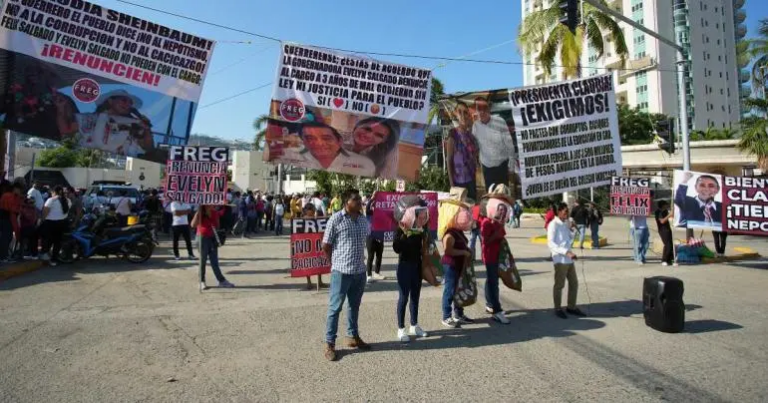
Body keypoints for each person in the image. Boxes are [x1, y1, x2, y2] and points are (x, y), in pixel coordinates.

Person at [322, 189, 371, 361]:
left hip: (359, 272)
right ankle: (329, 343)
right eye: (355, 199)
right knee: (335, 308)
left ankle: (353, 336)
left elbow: (366, 240)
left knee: (354, 306)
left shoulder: (363, 220)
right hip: (341, 272)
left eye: (359, 199)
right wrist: (334, 263)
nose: (359, 201)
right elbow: (326, 245)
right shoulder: (336, 219)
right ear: (346, 202)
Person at [54, 90, 155, 158]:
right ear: (110, 101)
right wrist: (61, 108)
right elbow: (65, 131)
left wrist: (146, 129)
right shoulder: (89, 118)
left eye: (130, 103)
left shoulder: (133, 125)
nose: (127, 105)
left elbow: (148, 148)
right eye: (124, 100)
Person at [281, 122, 375, 177]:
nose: (319, 144)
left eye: (326, 138)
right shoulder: (287, 155)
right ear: (304, 141)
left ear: (339, 141)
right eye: (310, 138)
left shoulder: (365, 164)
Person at [392, 205, 430, 342]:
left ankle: (414, 325)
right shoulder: (401, 228)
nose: (422, 219)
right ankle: (401, 329)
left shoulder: (420, 230)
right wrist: (404, 234)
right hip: (404, 266)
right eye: (420, 216)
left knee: (415, 297)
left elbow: (423, 248)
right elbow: (396, 248)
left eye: (424, 216)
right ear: (413, 216)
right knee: (403, 298)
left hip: (417, 266)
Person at [439, 199, 475, 328]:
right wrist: (464, 252)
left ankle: (459, 314)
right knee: (450, 290)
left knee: (458, 290)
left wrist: (467, 250)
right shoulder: (449, 234)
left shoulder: (457, 231)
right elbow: (448, 251)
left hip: (459, 265)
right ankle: (446, 316)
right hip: (451, 265)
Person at [547, 203, 586, 319]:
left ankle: (571, 307)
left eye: (567, 212)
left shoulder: (565, 223)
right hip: (560, 259)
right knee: (559, 285)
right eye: (565, 212)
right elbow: (551, 243)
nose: (567, 214)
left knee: (574, 283)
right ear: (558, 212)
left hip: (569, 258)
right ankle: (558, 308)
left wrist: (572, 228)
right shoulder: (553, 224)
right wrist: (565, 252)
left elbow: (569, 238)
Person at [480, 197, 513, 324]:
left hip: (497, 256)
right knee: (493, 283)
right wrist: (497, 232)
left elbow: (502, 236)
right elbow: (486, 241)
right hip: (490, 256)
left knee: (492, 280)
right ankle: (496, 310)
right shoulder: (486, 223)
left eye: (503, 210)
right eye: (499, 210)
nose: (501, 212)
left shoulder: (497, 222)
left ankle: (490, 304)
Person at [471, 96, 516, 189]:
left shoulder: (500, 121)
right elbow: (475, 146)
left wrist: (511, 165)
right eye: (479, 108)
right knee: (490, 194)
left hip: (502, 167)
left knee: (503, 193)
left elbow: (509, 144)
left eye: (484, 108)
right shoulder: (475, 126)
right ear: (476, 110)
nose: (482, 111)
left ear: (489, 108)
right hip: (487, 169)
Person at [191, 205, 234, 291]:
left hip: (212, 238)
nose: (212, 204)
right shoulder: (200, 212)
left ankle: (221, 280)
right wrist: (198, 214)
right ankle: (201, 281)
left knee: (214, 261)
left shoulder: (214, 212)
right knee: (202, 261)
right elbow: (193, 225)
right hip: (202, 238)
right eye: (210, 203)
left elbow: (217, 225)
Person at [446, 101, 479, 201]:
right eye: (459, 112)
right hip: (458, 183)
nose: (463, 115)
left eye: (465, 112)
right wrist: (452, 184)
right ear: (456, 114)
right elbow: (449, 160)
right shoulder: (453, 134)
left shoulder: (471, 136)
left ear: (468, 115)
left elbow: (475, 157)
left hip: (471, 181)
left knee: (472, 206)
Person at [40, 186, 70, 266]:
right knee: (57, 242)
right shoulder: (67, 200)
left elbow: (45, 212)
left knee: (48, 241)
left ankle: (45, 257)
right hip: (62, 223)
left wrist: (42, 220)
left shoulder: (51, 200)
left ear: (54, 192)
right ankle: (54, 259)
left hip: (50, 223)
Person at [302, 203, 325, 289]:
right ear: (307, 210)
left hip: (316, 243)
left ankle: (320, 281)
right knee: (308, 263)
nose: (314, 211)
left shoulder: (316, 219)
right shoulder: (302, 220)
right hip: (307, 244)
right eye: (312, 209)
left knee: (319, 262)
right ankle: (309, 282)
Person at [0, 182, 23, 262]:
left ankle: (4, 255)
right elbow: (13, 209)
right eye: (19, 190)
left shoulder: (6, 195)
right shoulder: (10, 196)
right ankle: (3, 256)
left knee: (6, 237)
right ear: (15, 189)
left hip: (5, 218)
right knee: (6, 238)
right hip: (7, 218)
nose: (20, 192)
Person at [365, 192, 384, 282]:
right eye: (373, 205)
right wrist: (372, 198)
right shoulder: (369, 213)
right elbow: (367, 207)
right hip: (370, 236)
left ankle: (377, 273)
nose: (375, 206)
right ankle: (369, 275)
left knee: (379, 255)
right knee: (370, 256)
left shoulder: (382, 213)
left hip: (380, 236)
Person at [655, 201, 674, 266]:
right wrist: (669, 215)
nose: (667, 206)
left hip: (668, 229)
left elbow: (670, 217)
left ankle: (669, 260)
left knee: (671, 244)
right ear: (663, 205)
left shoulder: (665, 211)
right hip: (663, 230)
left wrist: (672, 213)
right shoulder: (658, 212)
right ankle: (664, 260)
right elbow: (662, 221)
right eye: (666, 205)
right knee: (667, 245)